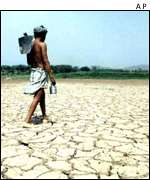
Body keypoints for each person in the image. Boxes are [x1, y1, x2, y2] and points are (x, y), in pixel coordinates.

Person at [24, 25, 56, 124]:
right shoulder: (42, 44)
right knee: (38, 96)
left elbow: (29, 61)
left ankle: (44, 115)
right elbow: (46, 61)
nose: (46, 35)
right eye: (45, 33)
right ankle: (28, 119)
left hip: (34, 71)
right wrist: (51, 76)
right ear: (42, 34)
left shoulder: (30, 44)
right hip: (41, 72)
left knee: (42, 94)